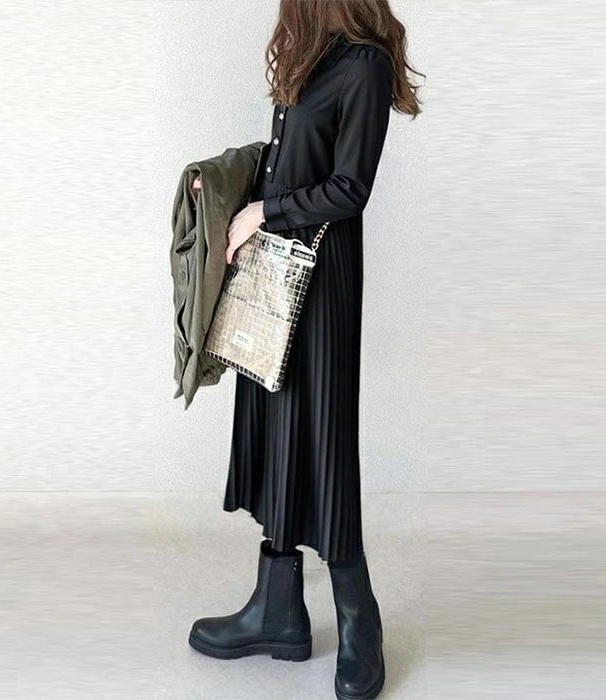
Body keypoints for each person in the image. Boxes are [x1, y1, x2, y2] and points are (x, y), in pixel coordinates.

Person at [188, 2, 422, 698]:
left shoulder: (365, 67)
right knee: (277, 426)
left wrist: (263, 212)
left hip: (321, 280)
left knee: (322, 438)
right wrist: (222, 183)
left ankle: (359, 620)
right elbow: (290, 162)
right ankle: (278, 612)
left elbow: (350, 189)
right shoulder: (310, 58)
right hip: (274, 274)